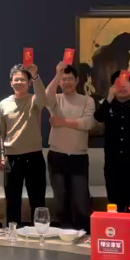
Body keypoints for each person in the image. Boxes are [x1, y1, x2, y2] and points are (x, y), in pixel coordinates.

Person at [45, 62, 96, 231]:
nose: (66, 82)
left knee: (81, 200)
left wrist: (62, 121)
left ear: (77, 80)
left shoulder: (87, 100)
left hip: (78, 157)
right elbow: (45, 97)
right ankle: (64, 233)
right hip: (57, 155)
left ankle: (83, 233)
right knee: (60, 199)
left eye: (70, 79)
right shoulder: (56, 99)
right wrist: (57, 74)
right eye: (63, 79)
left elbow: (87, 123)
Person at [94, 70, 130, 213]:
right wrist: (109, 97)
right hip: (113, 166)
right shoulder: (108, 105)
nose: (122, 87)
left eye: (125, 84)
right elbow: (99, 116)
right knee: (115, 206)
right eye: (118, 84)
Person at [0, 63, 47, 226]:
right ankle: (13, 232)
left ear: (29, 83)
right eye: (16, 79)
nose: (19, 82)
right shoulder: (3, 104)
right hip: (12, 158)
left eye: (23, 79)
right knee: (12, 200)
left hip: (34, 157)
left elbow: (44, 98)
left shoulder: (35, 100)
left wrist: (36, 75)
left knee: (37, 200)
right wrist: (1, 155)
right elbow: (0, 133)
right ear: (11, 82)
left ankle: (39, 231)